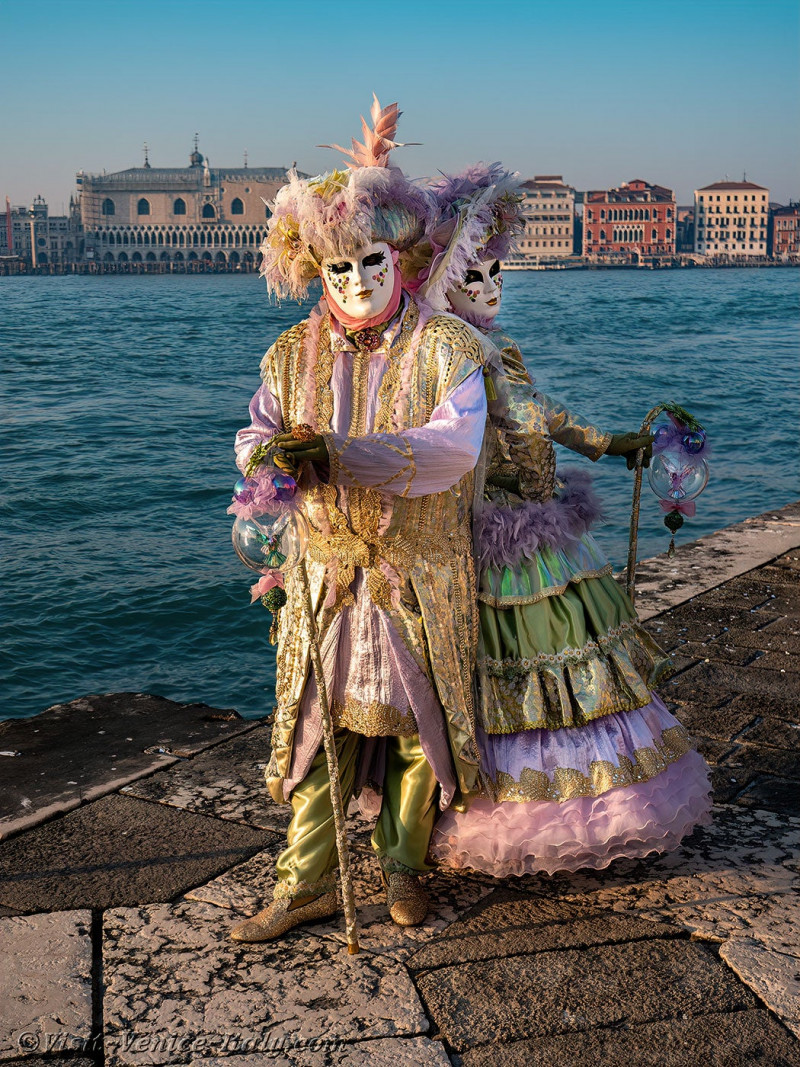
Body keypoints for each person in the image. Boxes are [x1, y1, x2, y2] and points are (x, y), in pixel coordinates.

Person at [228, 101, 490, 942]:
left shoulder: (449, 347)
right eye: (336, 272)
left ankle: (404, 869)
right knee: (316, 726)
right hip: (324, 576)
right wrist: (267, 462)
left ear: (398, 256)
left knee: (419, 728)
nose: (354, 285)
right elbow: (254, 430)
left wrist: (341, 454)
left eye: (368, 263)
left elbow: (452, 449)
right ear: (319, 273)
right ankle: (304, 880)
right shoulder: (289, 353)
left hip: (418, 576)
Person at [412, 164, 712, 877]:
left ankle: (592, 804)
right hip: (490, 537)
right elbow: (471, 436)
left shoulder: (497, 348)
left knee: (579, 668)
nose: (488, 291)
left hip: (538, 528)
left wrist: (611, 442)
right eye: (472, 279)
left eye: (495, 276)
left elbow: (537, 417)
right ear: (442, 284)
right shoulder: (447, 357)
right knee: (509, 673)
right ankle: (506, 815)